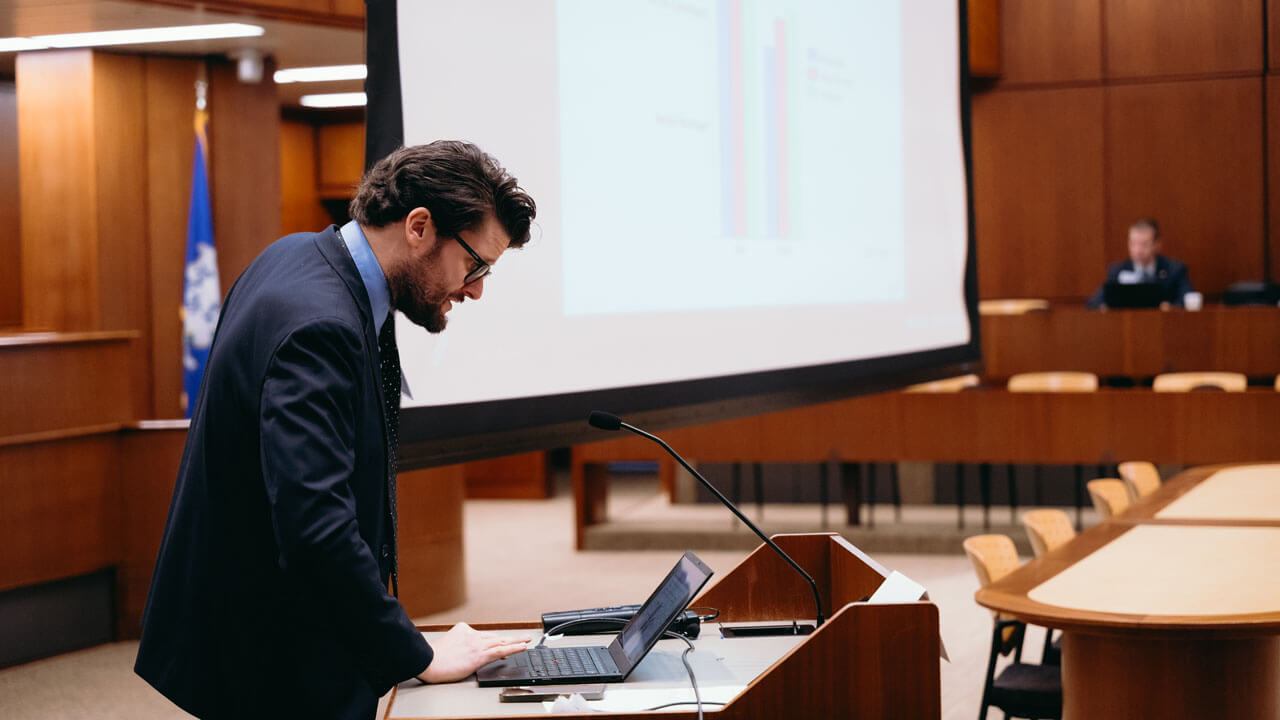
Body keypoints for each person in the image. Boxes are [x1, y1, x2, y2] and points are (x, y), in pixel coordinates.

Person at [135, 141, 537, 719]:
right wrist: (416, 653)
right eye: (475, 265)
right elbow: (315, 528)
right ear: (419, 227)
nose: (475, 288)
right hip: (276, 664)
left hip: (276, 630)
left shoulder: (298, 256)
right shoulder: (319, 326)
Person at [1087, 218, 1194, 309]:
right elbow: (1094, 302)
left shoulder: (1174, 269)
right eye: (1133, 244)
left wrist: (1170, 306)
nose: (1138, 250)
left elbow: (1188, 300)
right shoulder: (1118, 270)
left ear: (1157, 244)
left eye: (1144, 244)